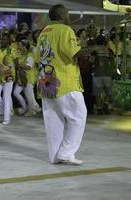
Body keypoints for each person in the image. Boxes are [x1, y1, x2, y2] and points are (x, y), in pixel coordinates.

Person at [37, 4, 87, 165]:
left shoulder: (44, 32)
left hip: (46, 81)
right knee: (79, 115)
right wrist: (93, 48)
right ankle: (66, 152)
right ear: (61, 15)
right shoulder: (65, 30)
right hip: (64, 81)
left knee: (53, 120)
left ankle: (55, 156)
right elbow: (74, 52)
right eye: (67, 13)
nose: (69, 16)